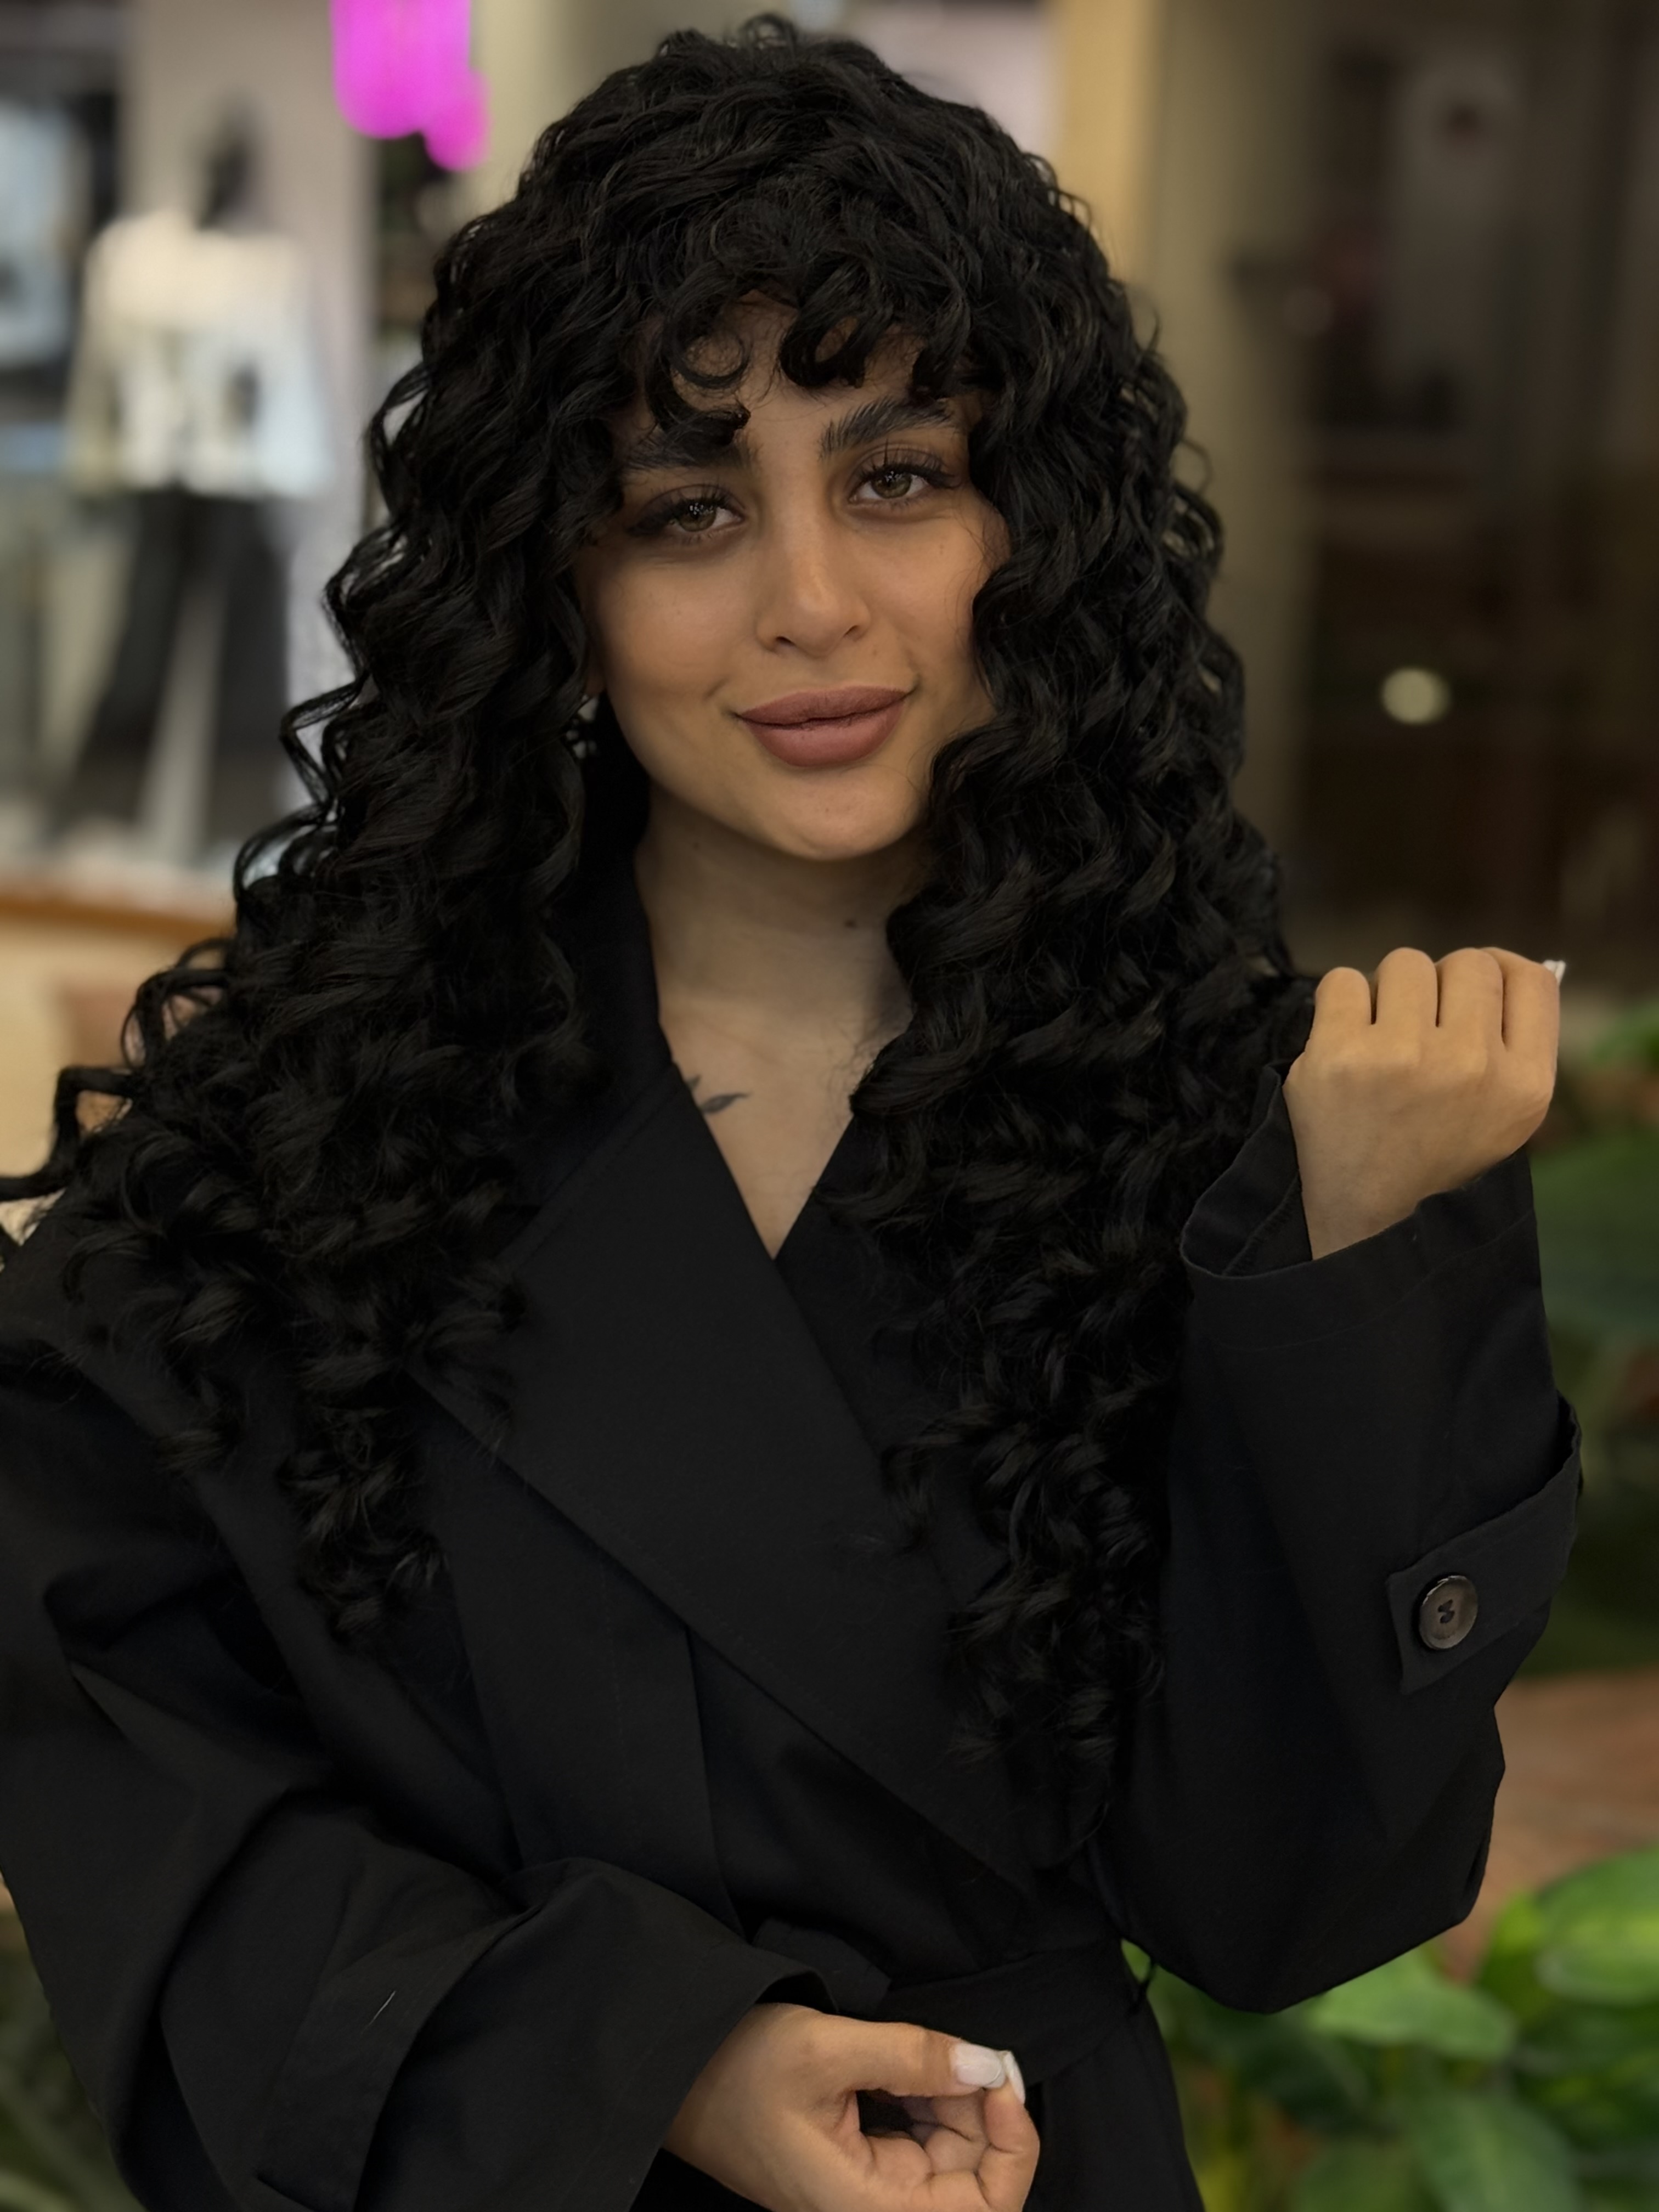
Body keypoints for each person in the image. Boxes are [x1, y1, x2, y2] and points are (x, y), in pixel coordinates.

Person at [0, 21, 1579, 2212]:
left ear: (1036, 524)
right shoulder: (300, 1129)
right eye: (691, 509)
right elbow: (134, 1785)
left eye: (899, 476)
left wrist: (1353, 1275)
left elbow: (1287, 1903)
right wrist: (650, 2058)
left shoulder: (1232, 1120)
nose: (812, 606)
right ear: (553, 581)